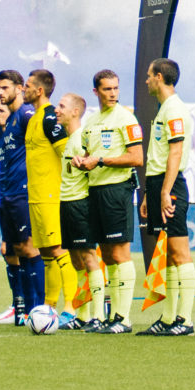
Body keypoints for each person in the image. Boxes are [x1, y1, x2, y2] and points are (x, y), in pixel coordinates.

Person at [73, 69, 142, 332]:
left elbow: (136, 158)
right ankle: (112, 316)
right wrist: (83, 162)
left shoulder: (126, 117)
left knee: (119, 252)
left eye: (115, 88)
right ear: (96, 92)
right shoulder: (90, 122)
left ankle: (123, 318)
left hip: (117, 190)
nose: (113, 93)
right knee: (107, 254)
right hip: (95, 190)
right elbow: (89, 154)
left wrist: (100, 160)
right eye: (107, 89)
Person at [139, 58, 195, 336]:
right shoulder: (165, 109)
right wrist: (150, 194)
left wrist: (165, 190)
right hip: (158, 184)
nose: (147, 80)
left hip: (170, 186)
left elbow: (175, 152)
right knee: (170, 256)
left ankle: (184, 321)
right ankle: (169, 317)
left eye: (149, 76)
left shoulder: (174, 109)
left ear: (159, 77)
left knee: (180, 253)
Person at [0, 70, 42, 325]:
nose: (0, 93)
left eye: (4, 87)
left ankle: (38, 308)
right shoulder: (3, 125)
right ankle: (23, 309)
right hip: (7, 194)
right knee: (16, 249)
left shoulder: (26, 115)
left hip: (24, 191)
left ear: (20, 88)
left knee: (29, 247)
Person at [20, 71, 72, 322]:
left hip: (52, 195)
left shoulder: (51, 118)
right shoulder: (33, 119)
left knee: (59, 250)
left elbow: (67, 154)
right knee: (47, 254)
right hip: (36, 196)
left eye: (27, 86)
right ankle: (48, 307)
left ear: (39, 90)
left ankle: (71, 308)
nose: (23, 89)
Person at [56, 92, 102, 330]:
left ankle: (97, 315)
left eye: (62, 106)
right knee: (75, 260)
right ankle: (82, 315)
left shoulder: (83, 137)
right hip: (67, 203)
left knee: (88, 257)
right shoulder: (69, 139)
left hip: (81, 203)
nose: (57, 110)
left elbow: (92, 164)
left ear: (76, 111)